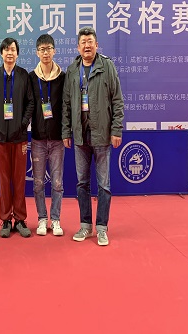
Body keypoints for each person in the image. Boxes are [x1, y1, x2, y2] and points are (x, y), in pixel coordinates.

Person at [62, 26, 124, 246]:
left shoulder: (107, 66)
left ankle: (102, 228)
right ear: (78, 47)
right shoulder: (72, 70)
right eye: (83, 42)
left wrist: (116, 130)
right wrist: (66, 131)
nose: (87, 46)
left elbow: (117, 100)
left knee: (104, 185)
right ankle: (85, 225)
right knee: (82, 183)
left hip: (102, 134)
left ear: (96, 45)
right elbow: (66, 104)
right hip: (80, 135)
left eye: (90, 42)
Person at [0, 37, 34, 238]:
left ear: (17, 53)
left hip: (19, 137)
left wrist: (22, 124)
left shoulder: (23, 75)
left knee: (19, 180)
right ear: (1, 53)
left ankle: (20, 219)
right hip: (0, 137)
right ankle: (6, 219)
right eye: (6, 49)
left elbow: (30, 103)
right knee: (4, 180)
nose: (9, 53)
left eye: (13, 49)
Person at [29, 34, 66, 237]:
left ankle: (56, 219)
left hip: (58, 139)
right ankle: (42, 218)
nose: (45, 53)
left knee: (58, 183)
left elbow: (67, 107)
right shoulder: (31, 78)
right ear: (37, 52)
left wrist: (67, 132)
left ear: (54, 51)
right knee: (38, 183)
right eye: (42, 49)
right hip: (38, 139)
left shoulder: (63, 77)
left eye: (49, 48)